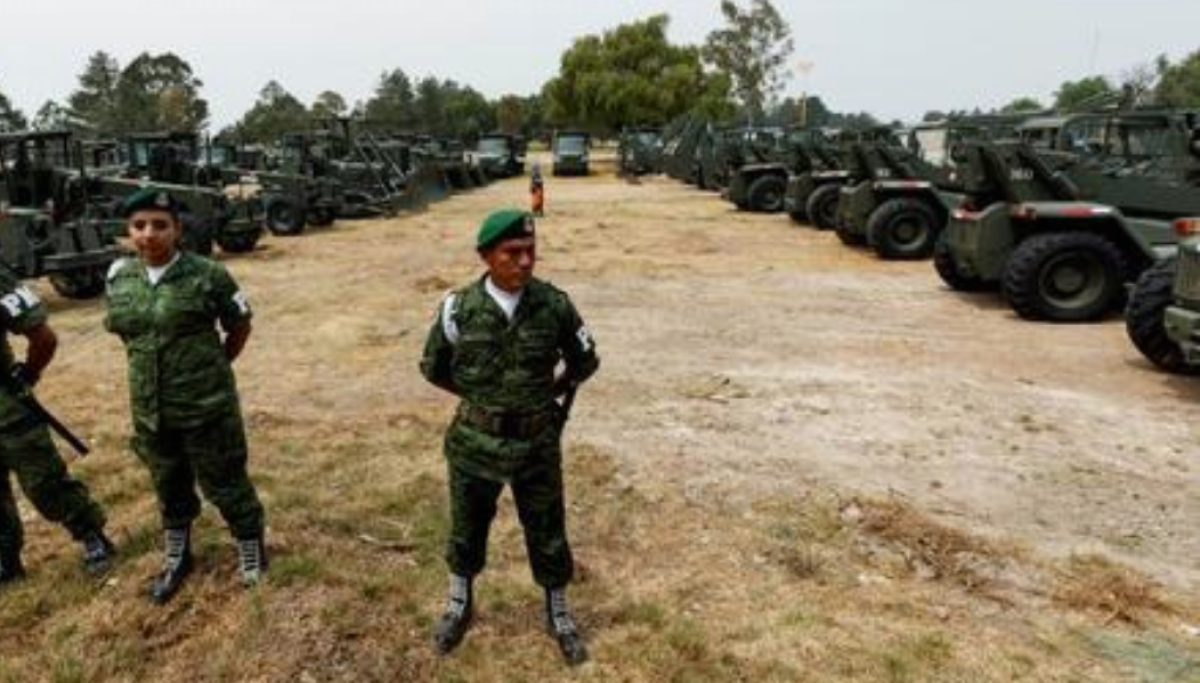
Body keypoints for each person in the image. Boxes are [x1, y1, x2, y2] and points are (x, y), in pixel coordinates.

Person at [420, 209, 599, 665]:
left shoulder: (554, 305)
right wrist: (480, 399)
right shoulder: (457, 308)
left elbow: (585, 361)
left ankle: (558, 613)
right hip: (473, 446)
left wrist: (547, 394)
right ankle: (459, 603)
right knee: (466, 529)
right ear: (486, 256)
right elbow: (433, 367)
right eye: (512, 253)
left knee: (548, 532)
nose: (524, 262)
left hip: (535, 446)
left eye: (531, 252)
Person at [104, 186, 266, 604]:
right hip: (151, 408)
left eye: (160, 225)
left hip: (205, 406)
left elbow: (240, 325)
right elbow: (129, 335)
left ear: (177, 229)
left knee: (225, 480)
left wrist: (212, 369)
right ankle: (178, 551)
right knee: (168, 482)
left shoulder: (208, 275)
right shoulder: (119, 277)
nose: (148, 234)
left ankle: (250, 543)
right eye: (138, 226)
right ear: (128, 232)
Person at [0, 270, 114, 585]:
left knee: (44, 481)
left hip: (7, 409)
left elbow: (43, 337)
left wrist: (28, 375)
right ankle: (6, 559)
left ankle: (92, 535)